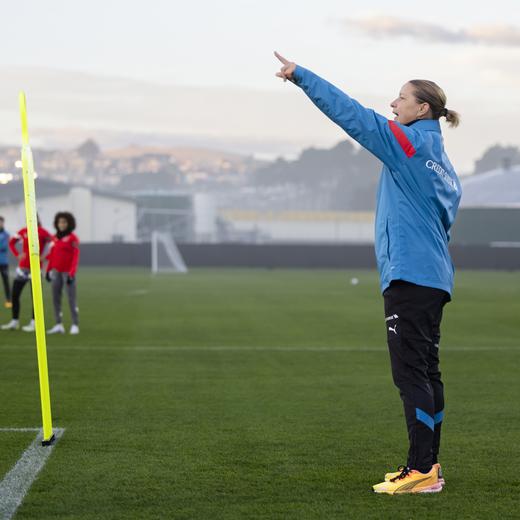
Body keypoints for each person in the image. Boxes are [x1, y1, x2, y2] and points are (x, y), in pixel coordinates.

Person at [274, 52, 461, 495]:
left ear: (423, 110)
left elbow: (352, 115)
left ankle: (420, 472)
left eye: (401, 98)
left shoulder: (409, 144)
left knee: (411, 376)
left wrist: (302, 76)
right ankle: (428, 467)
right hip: (435, 278)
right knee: (428, 374)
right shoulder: (446, 167)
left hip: (410, 277)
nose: (393, 104)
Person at [1, 218, 53, 332]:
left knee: (35, 297)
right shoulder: (24, 231)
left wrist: (45, 257)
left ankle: (34, 322)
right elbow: (11, 242)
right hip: (23, 268)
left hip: (36, 269)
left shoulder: (43, 232)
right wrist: (17, 254)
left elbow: (54, 244)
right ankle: (14, 321)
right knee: (15, 294)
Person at [45, 212, 80, 335]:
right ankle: (58, 324)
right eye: (60, 222)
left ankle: (75, 324)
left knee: (71, 299)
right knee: (56, 298)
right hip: (56, 272)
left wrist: (72, 273)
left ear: (69, 223)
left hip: (67, 273)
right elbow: (52, 255)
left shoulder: (73, 238)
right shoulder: (54, 238)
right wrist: (48, 270)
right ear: (56, 223)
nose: (62, 224)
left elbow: (75, 257)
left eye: (64, 222)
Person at [0, 217, 12, 308]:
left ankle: (8, 300)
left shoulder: (6, 234)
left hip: (3, 262)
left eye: (1, 222)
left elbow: (4, 246)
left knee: (6, 282)